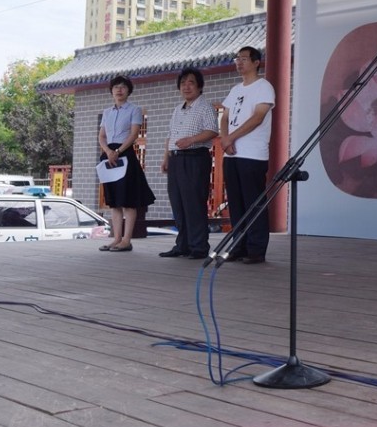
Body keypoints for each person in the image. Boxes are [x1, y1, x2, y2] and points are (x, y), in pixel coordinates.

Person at [219, 46, 276, 264]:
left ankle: (256, 249)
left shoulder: (264, 87)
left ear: (256, 62)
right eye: (237, 59)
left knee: (253, 202)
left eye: (244, 59)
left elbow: (258, 117)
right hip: (231, 154)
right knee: (235, 202)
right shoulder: (235, 89)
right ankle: (238, 245)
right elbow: (224, 117)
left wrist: (231, 138)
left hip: (253, 154)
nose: (239, 62)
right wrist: (225, 139)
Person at [159, 67, 219, 260]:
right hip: (176, 159)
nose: (186, 86)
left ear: (200, 86)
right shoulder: (178, 109)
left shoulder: (205, 107)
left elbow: (212, 131)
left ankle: (199, 247)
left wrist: (191, 140)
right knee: (178, 203)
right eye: (183, 83)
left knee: (194, 203)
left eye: (191, 82)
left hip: (195, 158)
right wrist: (166, 157)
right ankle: (182, 245)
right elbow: (170, 136)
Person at [97, 74, 156, 252]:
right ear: (111, 91)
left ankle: (126, 240)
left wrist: (118, 151)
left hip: (125, 154)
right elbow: (101, 136)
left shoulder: (134, 109)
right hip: (109, 156)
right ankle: (116, 238)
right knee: (114, 201)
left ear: (128, 90)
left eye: (123, 87)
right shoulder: (107, 112)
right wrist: (108, 151)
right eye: (116, 87)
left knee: (128, 200)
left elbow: (134, 134)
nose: (119, 90)